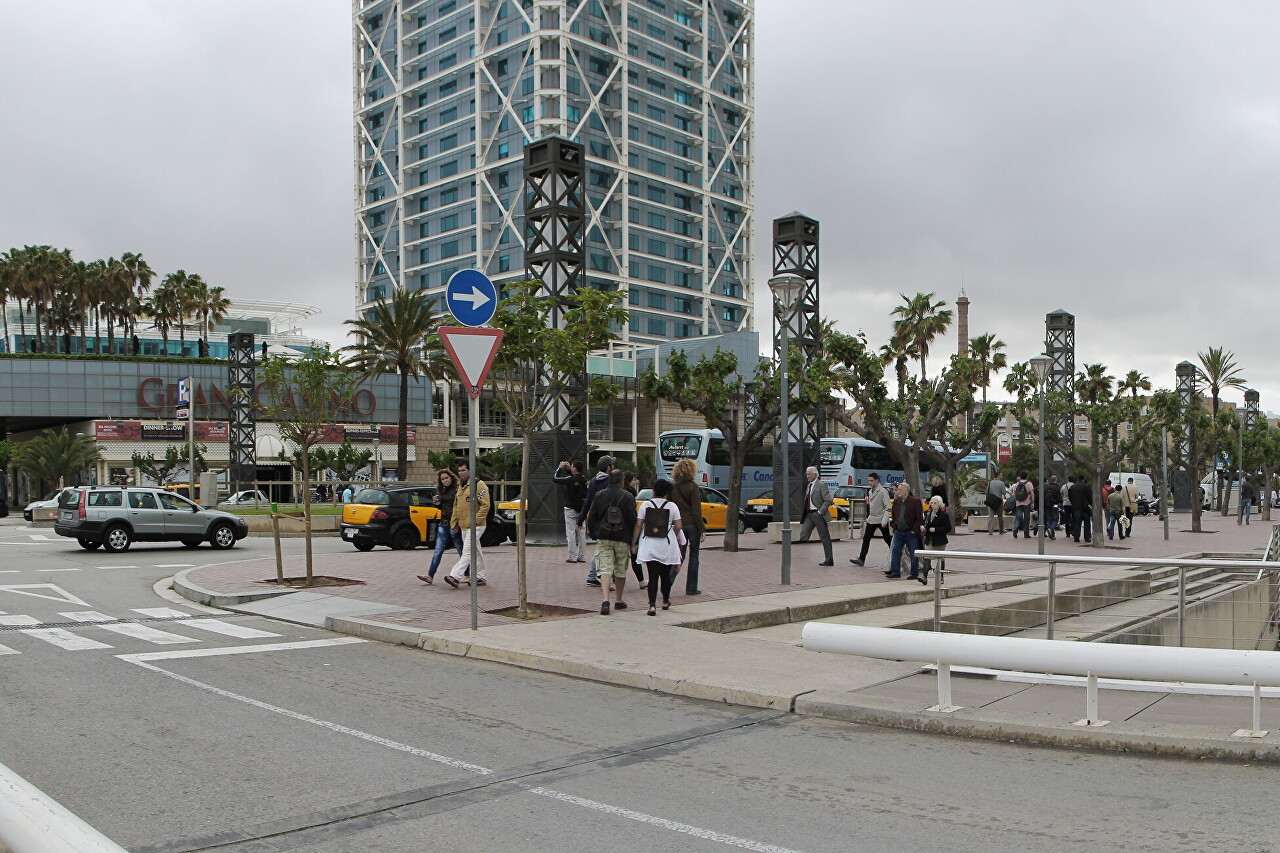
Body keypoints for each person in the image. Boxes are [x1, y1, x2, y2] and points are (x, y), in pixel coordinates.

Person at [585, 470, 638, 615]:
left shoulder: (599, 495)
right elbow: (633, 519)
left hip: (604, 537)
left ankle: (605, 600)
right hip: (622, 537)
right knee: (620, 569)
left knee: (605, 568)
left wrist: (595, 534)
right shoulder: (628, 496)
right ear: (622, 481)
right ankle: (619, 600)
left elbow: (592, 517)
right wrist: (633, 540)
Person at [632, 478, 684, 616]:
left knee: (652, 576)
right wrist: (673, 533)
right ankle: (666, 601)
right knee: (666, 575)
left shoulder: (645, 505)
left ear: (654, 491)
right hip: (666, 544)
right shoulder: (672, 506)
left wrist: (634, 542)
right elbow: (678, 526)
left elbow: (638, 525)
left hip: (649, 544)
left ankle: (652, 606)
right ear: (666, 493)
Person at [445, 462, 490, 588]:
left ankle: (455, 576)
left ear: (470, 470)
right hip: (464, 525)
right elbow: (456, 506)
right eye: (459, 470)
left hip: (477, 525)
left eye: (463, 470)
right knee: (475, 551)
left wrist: (475, 520)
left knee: (467, 551)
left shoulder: (478, 485)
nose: (461, 473)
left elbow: (485, 505)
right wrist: (454, 523)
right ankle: (481, 576)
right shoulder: (460, 487)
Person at [418, 468, 462, 584]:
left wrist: (457, 524)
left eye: (446, 478)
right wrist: (437, 502)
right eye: (442, 479)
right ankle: (430, 575)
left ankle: (467, 574)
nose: (445, 480)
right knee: (438, 549)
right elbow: (441, 507)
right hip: (443, 523)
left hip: (454, 523)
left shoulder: (458, 489)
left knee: (461, 549)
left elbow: (460, 507)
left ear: (451, 477)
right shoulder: (442, 490)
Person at [671, 457, 706, 595]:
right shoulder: (693, 487)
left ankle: (669, 581)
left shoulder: (673, 488)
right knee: (694, 556)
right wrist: (702, 529)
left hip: (678, 524)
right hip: (692, 524)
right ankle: (691, 588)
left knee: (678, 555)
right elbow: (697, 511)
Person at [581, 456, 614, 586]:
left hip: (595, 519)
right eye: (612, 465)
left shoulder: (594, 481)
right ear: (608, 467)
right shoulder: (611, 481)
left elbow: (588, 501)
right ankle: (598, 575)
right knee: (606, 548)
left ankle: (594, 575)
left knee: (600, 547)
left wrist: (581, 518)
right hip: (607, 519)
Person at [850, 472, 892, 566]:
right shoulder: (870, 491)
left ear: (877, 480)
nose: (870, 482)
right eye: (869, 480)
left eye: (872, 480)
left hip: (881, 519)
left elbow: (888, 507)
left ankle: (896, 556)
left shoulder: (883, 491)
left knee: (887, 539)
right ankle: (861, 558)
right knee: (866, 538)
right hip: (872, 519)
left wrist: (884, 520)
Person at [886, 482, 924, 579]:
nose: (898, 492)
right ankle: (895, 572)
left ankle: (914, 573)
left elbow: (919, 517)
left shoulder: (915, 501)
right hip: (899, 531)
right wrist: (895, 527)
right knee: (896, 551)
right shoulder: (897, 501)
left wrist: (914, 530)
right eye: (897, 490)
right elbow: (894, 515)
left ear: (906, 490)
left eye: (900, 490)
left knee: (913, 552)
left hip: (911, 532)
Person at [553, 460, 588, 563]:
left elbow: (555, 479)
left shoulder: (569, 480)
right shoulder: (583, 479)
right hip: (581, 509)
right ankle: (582, 556)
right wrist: (569, 470)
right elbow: (575, 479)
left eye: (572, 466)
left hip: (570, 508)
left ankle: (572, 556)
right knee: (582, 533)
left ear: (575, 468)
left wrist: (560, 468)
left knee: (571, 533)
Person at [920, 495, 951, 585]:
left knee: (940, 559)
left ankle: (940, 577)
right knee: (927, 558)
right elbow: (923, 522)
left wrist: (936, 529)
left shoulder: (944, 515)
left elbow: (948, 528)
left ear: (939, 505)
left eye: (935, 503)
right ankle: (924, 577)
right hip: (929, 539)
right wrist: (922, 527)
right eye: (932, 503)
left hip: (939, 541)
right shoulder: (927, 513)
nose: (933, 505)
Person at [1068, 474, 1093, 543]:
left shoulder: (1073, 487)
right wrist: (1090, 505)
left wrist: (1073, 502)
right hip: (1085, 508)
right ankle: (1087, 537)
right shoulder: (1087, 487)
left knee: (1077, 523)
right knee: (1087, 523)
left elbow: (1069, 496)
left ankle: (1076, 537)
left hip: (1076, 507)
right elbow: (1090, 497)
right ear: (1084, 478)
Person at [1012, 472, 1035, 539]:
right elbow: (1032, 493)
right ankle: (1026, 534)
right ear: (1026, 477)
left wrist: (1016, 500)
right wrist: (1032, 502)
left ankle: (1015, 528)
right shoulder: (1029, 483)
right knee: (1026, 518)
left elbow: (1013, 494)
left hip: (1018, 503)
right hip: (1027, 503)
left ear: (1020, 477)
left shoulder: (1017, 484)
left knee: (1018, 517)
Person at [1043, 475, 1061, 540]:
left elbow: (1043, 496)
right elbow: (1059, 497)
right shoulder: (1057, 487)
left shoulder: (1046, 487)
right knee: (1055, 519)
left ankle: (1050, 530)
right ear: (1056, 480)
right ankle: (1052, 528)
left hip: (1047, 505)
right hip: (1055, 505)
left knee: (1049, 518)